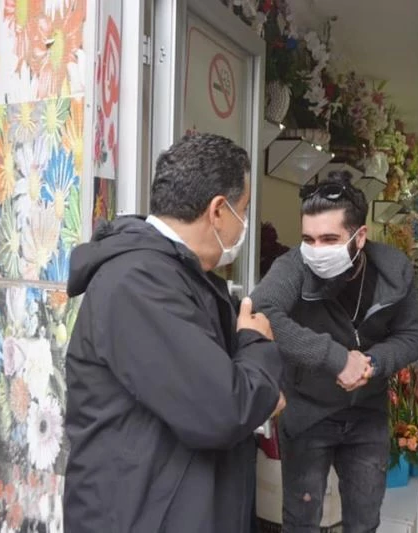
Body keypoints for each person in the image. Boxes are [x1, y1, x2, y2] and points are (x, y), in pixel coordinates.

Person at [63, 133, 285, 533]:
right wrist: (257, 347)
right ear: (218, 210)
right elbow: (223, 409)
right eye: (243, 211)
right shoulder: (139, 283)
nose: (243, 225)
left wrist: (260, 388)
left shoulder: (177, 275)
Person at [251, 171, 418, 533]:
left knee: (364, 521)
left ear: (360, 237)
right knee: (301, 521)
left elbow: (411, 335)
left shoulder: (393, 271)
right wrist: (336, 359)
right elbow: (262, 312)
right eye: (308, 239)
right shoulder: (293, 266)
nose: (317, 250)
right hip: (308, 414)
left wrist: (372, 363)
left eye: (329, 239)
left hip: (367, 415)